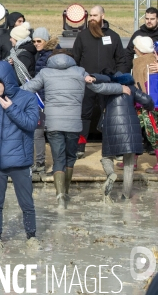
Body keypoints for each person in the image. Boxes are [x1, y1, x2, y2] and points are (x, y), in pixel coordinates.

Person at [22, 51, 128, 208]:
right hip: (73, 123)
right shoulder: (79, 71)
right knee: (70, 158)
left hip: (53, 123)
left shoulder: (45, 72)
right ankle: (66, 192)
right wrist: (120, 88)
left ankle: (60, 198)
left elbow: (26, 88)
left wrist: (5, 92)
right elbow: (99, 87)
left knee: (58, 160)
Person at [0, 61, 39, 250]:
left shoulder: (28, 99)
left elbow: (31, 124)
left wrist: (11, 108)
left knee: (26, 203)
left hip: (19, 161)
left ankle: (31, 236)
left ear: (6, 81)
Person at [72, 6, 127, 158]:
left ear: (103, 16)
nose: (92, 18)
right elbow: (74, 60)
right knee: (84, 115)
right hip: (86, 82)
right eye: (90, 15)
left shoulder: (114, 37)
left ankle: (114, 149)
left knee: (110, 115)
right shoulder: (82, 36)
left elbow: (121, 60)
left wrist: (118, 78)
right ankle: (80, 147)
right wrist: (79, 76)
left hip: (107, 84)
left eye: (95, 15)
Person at [91, 71, 154, 200]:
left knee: (107, 156)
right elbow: (147, 100)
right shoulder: (131, 88)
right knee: (129, 162)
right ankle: (125, 195)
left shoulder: (107, 89)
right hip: (130, 126)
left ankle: (110, 174)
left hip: (111, 125)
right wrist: (150, 107)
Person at [30, 27, 60, 173]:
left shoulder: (50, 57)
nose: (36, 43)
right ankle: (40, 163)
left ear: (46, 40)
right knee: (38, 132)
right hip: (40, 101)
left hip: (49, 101)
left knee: (51, 134)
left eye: (39, 41)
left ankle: (57, 164)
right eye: (34, 41)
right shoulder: (41, 55)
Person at [130, 36, 158, 172]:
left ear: (139, 49)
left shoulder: (140, 62)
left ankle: (132, 162)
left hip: (146, 104)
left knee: (150, 133)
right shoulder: (154, 59)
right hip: (149, 103)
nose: (134, 48)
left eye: (135, 46)